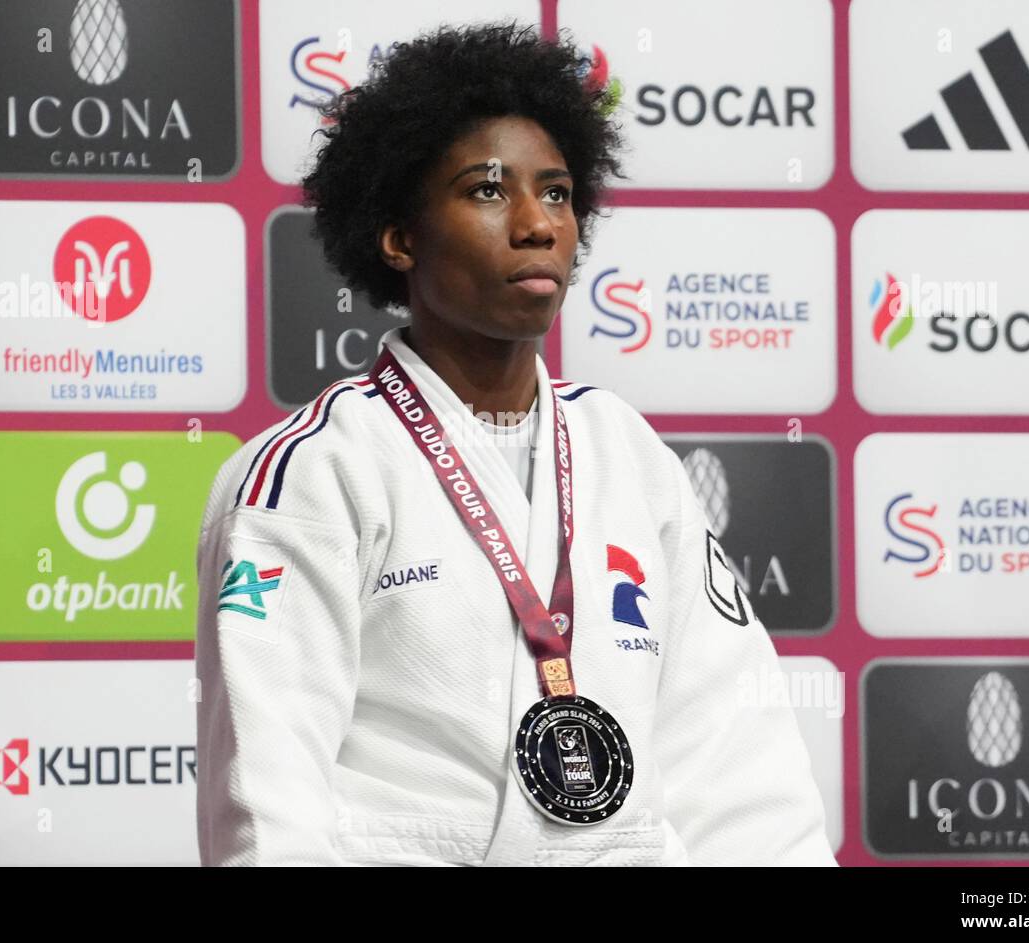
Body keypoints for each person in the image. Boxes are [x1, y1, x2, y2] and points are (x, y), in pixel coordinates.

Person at [195, 20, 836, 866]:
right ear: (399, 236)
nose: (538, 225)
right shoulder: (313, 470)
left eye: (560, 193)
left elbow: (737, 759)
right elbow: (270, 796)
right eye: (489, 191)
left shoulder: (626, 453)